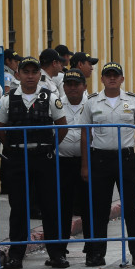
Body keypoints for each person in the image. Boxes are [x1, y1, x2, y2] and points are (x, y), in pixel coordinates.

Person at [0, 55, 68, 269]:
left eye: (34, 72)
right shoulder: (7, 98)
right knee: (19, 207)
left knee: (50, 206)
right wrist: (15, 147)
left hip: (43, 158)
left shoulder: (50, 97)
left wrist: (49, 146)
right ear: (19, 75)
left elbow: (62, 126)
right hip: (17, 159)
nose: (31, 76)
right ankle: (16, 255)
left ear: (39, 75)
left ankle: (56, 254)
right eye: (26, 72)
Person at [79, 62, 135, 266]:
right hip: (100, 159)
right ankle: (98, 254)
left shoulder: (134, 101)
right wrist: (85, 165)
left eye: (115, 75)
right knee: (100, 210)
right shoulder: (92, 102)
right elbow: (85, 134)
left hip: (126, 159)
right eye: (107, 75)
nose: (111, 78)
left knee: (131, 209)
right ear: (101, 79)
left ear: (122, 79)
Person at [58, 69, 90, 256]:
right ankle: (60, 247)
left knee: (88, 205)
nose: (72, 88)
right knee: (63, 205)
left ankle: (91, 245)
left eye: (76, 84)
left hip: (87, 161)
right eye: (68, 84)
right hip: (62, 161)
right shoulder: (56, 103)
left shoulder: (92, 103)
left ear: (84, 86)